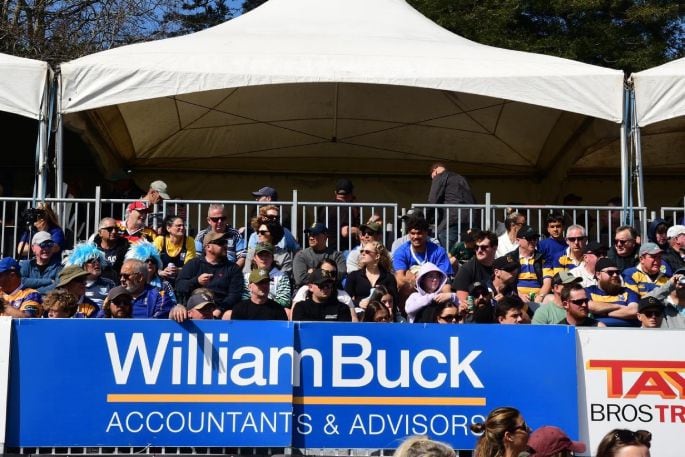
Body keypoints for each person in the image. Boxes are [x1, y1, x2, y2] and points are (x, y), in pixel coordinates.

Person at [176, 231, 245, 317]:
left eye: (226, 242)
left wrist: (220, 309)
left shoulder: (233, 268)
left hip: (221, 311)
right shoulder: (194, 264)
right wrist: (196, 281)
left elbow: (235, 294)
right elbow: (179, 286)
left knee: (229, 314)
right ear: (208, 247)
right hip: (196, 309)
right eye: (221, 243)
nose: (225, 245)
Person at [393, 214, 452, 310]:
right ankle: (405, 319)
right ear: (408, 234)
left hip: (435, 286)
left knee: (446, 288)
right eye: (412, 233)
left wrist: (414, 276)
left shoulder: (438, 251)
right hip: (413, 288)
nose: (415, 236)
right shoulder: (401, 251)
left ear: (426, 233)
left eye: (419, 233)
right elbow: (400, 279)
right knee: (404, 287)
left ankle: (444, 318)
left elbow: (444, 277)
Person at [428, 162, 477, 248]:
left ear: (434, 171)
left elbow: (433, 200)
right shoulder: (461, 178)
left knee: (441, 243)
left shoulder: (440, 176)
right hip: (469, 219)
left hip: (452, 219)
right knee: (464, 248)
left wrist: (424, 217)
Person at [345, 240, 398, 314]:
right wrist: (359, 303)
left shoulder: (389, 277)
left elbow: (394, 301)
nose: (363, 254)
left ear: (377, 256)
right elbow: (346, 300)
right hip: (360, 316)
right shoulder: (354, 276)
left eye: (367, 252)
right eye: (362, 251)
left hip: (382, 317)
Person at [586, 258, 640, 327]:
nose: (615, 275)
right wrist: (619, 307)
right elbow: (590, 306)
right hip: (599, 332)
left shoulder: (628, 292)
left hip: (627, 331)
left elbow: (633, 311)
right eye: (610, 272)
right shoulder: (589, 291)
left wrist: (604, 312)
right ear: (598, 274)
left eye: (617, 272)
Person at [64, 241, 116, 309]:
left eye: (98, 260)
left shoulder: (109, 284)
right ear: (80, 264)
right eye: (91, 261)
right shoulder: (72, 284)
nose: (97, 263)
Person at [292, 222, 346, 288]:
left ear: (325, 236)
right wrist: (329, 273)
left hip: (332, 291)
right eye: (310, 234)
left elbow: (341, 275)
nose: (311, 237)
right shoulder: (301, 256)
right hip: (308, 291)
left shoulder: (337, 255)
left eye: (315, 234)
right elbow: (300, 279)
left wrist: (314, 272)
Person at [241, 242, 292, 310]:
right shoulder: (247, 276)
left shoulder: (281, 276)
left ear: (272, 258)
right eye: (260, 255)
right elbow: (244, 297)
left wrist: (264, 304)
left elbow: (285, 301)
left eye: (267, 255)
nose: (264, 258)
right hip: (252, 308)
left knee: (287, 311)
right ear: (255, 258)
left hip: (273, 309)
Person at [451, 231, 498, 303]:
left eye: (483, 247)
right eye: (476, 247)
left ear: (494, 248)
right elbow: (463, 302)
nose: (479, 250)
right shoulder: (466, 269)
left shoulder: (499, 267)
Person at [509, 225, 551, 304]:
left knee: (551, 299)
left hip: (539, 297)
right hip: (517, 297)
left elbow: (547, 282)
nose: (533, 241)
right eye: (529, 238)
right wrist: (519, 295)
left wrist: (540, 296)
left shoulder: (543, 258)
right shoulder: (510, 258)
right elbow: (507, 282)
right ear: (518, 240)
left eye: (535, 238)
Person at [317, 178, 361, 251]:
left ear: (335, 193)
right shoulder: (346, 208)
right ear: (351, 193)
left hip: (325, 249)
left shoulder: (324, 207)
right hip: (340, 251)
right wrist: (358, 230)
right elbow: (345, 232)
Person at [153, 215, 198, 285]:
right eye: (178, 226)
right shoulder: (160, 240)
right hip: (160, 280)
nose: (182, 228)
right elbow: (151, 263)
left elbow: (190, 266)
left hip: (181, 279)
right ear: (168, 228)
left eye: (183, 225)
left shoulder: (189, 241)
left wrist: (178, 270)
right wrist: (160, 272)